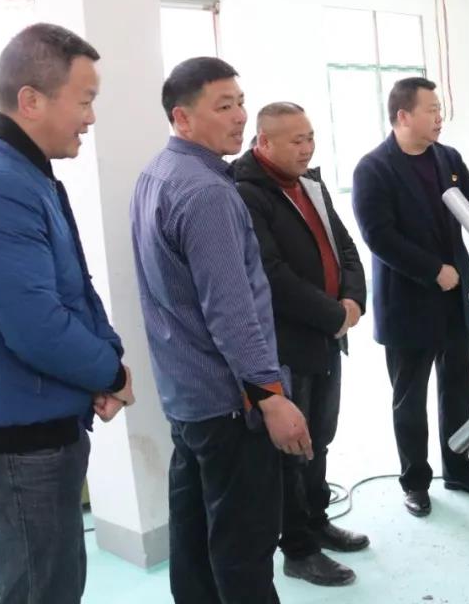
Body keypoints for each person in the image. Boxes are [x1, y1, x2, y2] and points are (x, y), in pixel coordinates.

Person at [0, 22, 135, 604]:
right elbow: (37, 328)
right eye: (84, 101)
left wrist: (107, 359)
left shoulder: (26, 174)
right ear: (31, 100)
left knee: (57, 586)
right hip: (11, 448)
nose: (90, 118)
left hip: (36, 432)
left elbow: (74, 290)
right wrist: (110, 373)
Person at [130, 58, 311, 604]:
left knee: (193, 541)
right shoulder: (206, 193)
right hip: (230, 403)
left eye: (240, 102)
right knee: (243, 549)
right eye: (223, 106)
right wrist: (270, 396)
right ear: (182, 118)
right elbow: (231, 311)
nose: (239, 117)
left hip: (186, 399)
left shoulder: (157, 174)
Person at [232, 102, 369, 586]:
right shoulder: (247, 193)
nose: (307, 148)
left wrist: (354, 300)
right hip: (287, 343)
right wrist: (334, 315)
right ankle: (297, 548)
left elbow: (344, 247)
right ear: (264, 142)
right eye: (296, 141)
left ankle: (317, 520)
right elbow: (271, 274)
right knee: (292, 449)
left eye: (310, 137)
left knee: (321, 437)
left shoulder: (310, 182)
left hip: (327, 338)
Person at [351, 76, 469, 518]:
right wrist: (433, 270)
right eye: (431, 110)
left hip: (455, 302)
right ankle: (415, 481)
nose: (439, 117)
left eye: (439, 109)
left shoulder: (447, 158)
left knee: (458, 390)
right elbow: (379, 236)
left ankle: (459, 468)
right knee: (410, 400)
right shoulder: (373, 169)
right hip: (408, 304)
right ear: (403, 116)